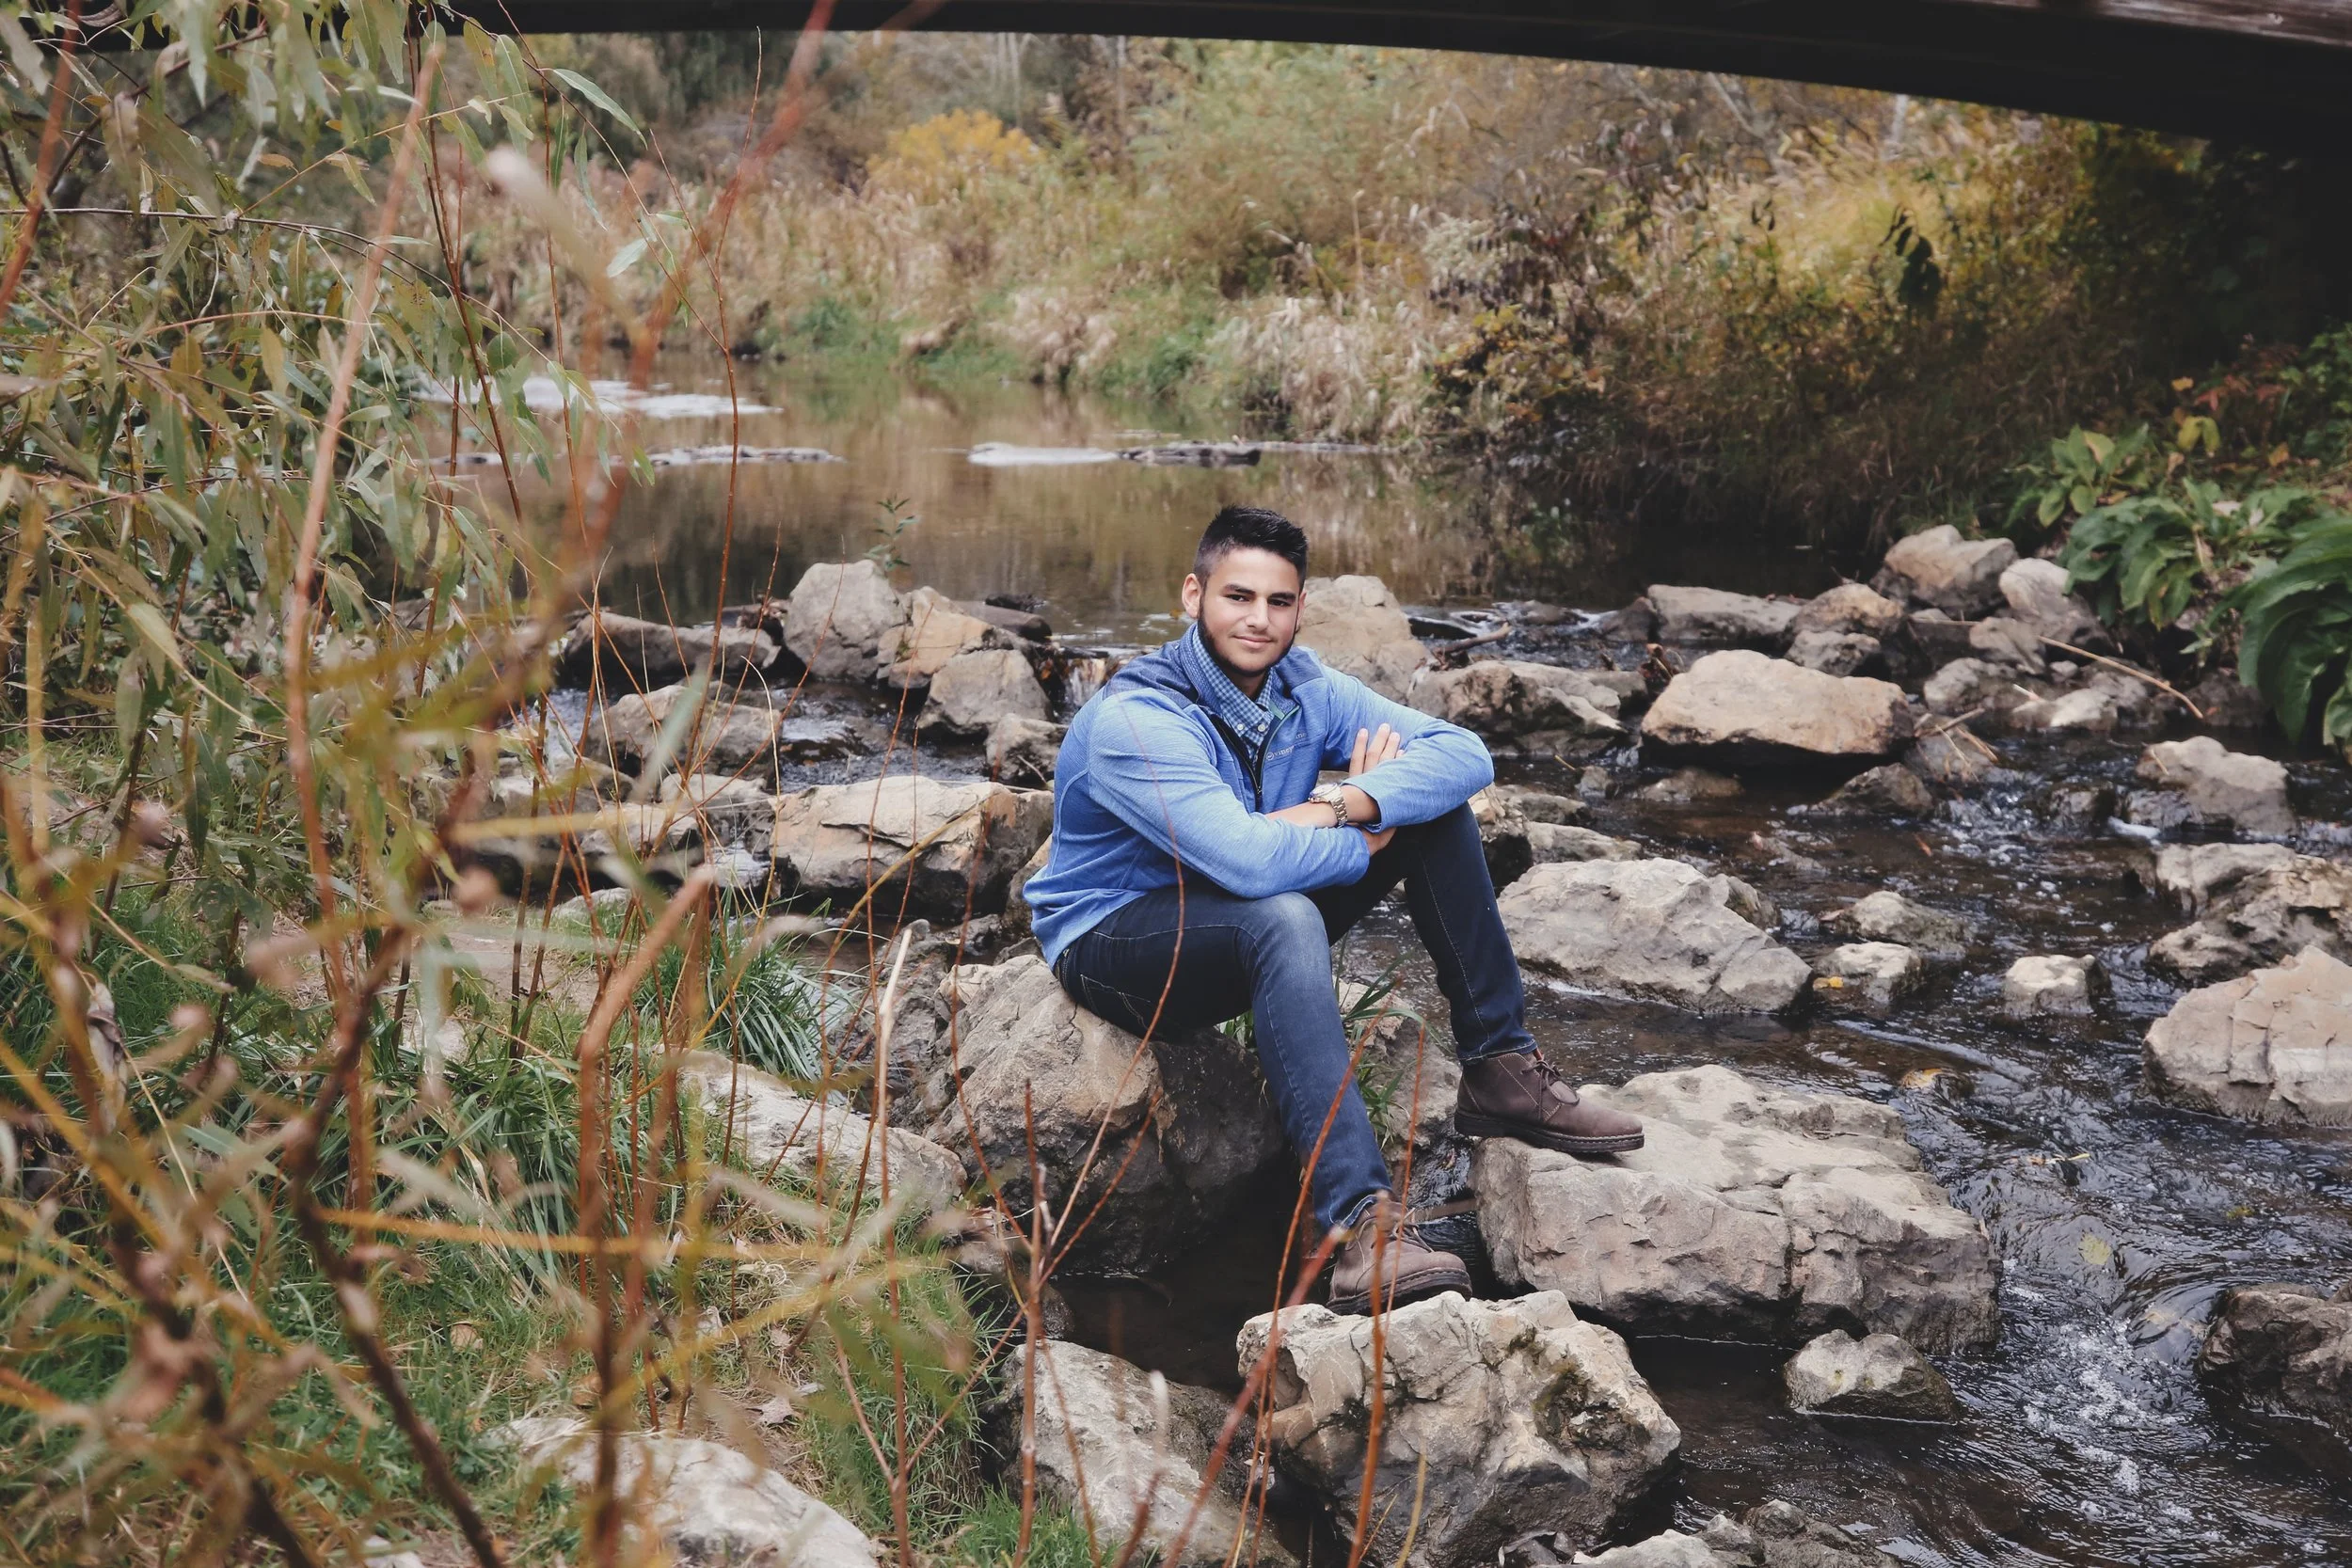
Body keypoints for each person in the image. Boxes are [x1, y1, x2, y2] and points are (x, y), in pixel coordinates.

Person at [1021, 505, 1643, 1315]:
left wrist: (1344, 800)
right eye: (1237, 596)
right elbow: (1244, 860)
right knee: (1281, 911)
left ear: (1301, 607)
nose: (1259, 619)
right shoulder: (1138, 717)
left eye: (1279, 602)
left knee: (1433, 810)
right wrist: (1358, 835)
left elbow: (1464, 755)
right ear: (1191, 594)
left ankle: (1499, 1068)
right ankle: (1357, 1227)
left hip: (1237, 911)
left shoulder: (1305, 686)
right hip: (1117, 938)